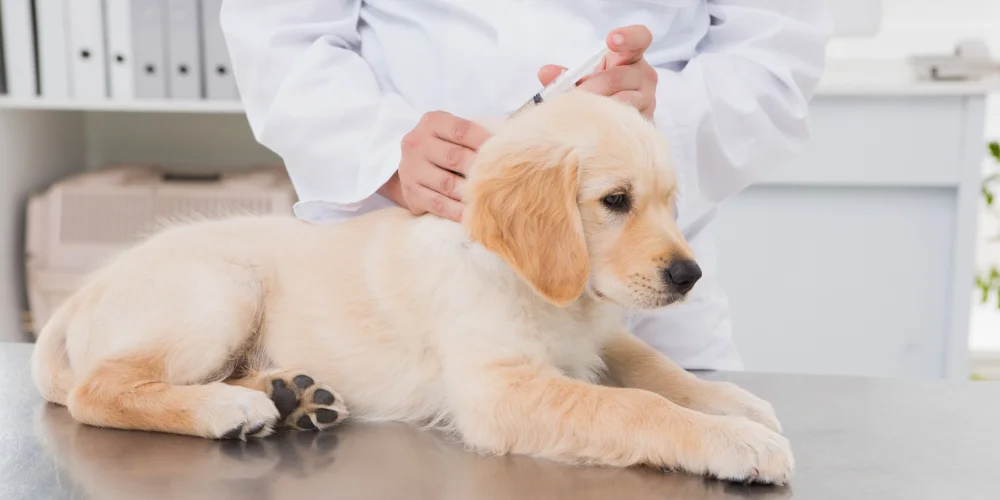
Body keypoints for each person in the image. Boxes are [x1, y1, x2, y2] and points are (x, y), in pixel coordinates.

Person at [219, 0, 831, 371]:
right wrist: (380, 150)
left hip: (638, 315)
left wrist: (645, 127)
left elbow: (774, 60)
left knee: (671, 436)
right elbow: (280, 34)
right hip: (402, 285)